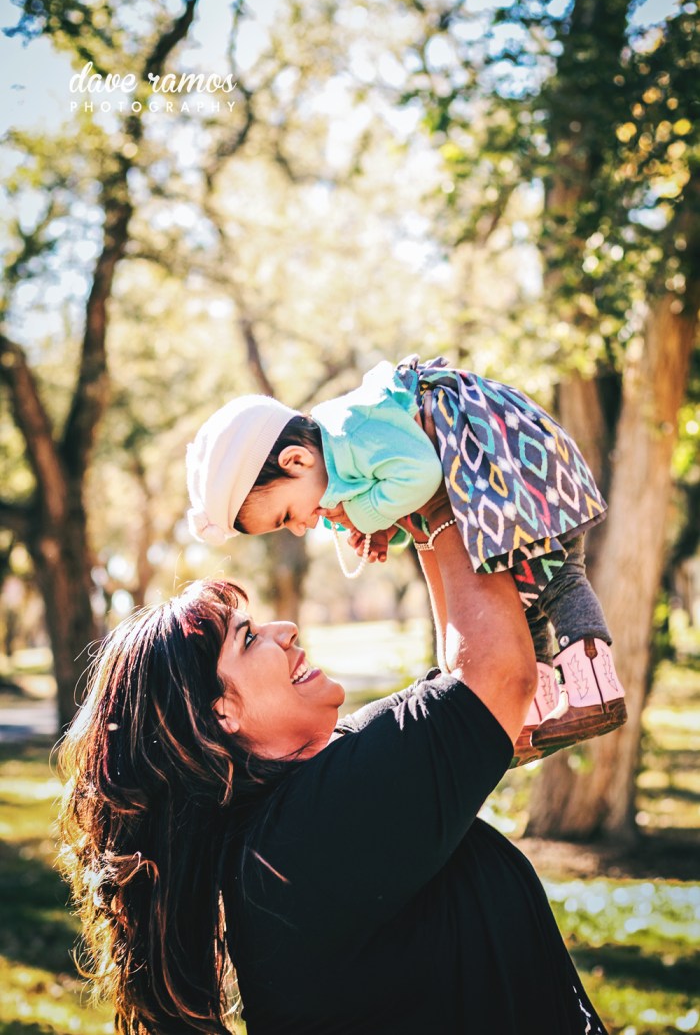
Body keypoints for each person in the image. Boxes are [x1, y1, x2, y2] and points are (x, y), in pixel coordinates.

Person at [59, 489, 609, 1034]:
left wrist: (420, 522)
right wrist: (442, 498)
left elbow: (464, 689)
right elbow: (497, 676)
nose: (285, 630)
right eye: (248, 639)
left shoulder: (292, 815)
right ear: (221, 713)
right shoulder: (315, 823)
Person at [186, 355, 626, 761]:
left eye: (286, 516)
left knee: (555, 577)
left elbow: (422, 475)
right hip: (485, 478)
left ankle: (597, 693)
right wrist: (383, 530)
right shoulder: (343, 456)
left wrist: (366, 514)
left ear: (297, 459)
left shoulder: (350, 428)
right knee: (525, 603)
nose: (302, 527)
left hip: (503, 458)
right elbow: (409, 499)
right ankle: (531, 717)